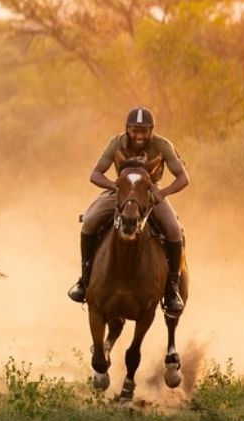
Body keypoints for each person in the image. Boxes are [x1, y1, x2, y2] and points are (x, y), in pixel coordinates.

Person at [67, 106, 189, 313]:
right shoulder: (116, 144)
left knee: (174, 229)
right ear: (127, 129)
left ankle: (171, 290)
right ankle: (84, 280)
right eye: (135, 130)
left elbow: (183, 178)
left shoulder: (163, 145)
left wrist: (161, 194)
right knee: (89, 222)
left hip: (151, 191)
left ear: (151, 131)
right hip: (121, 190)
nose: (138, 135)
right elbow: (95, 174)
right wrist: (115, 187)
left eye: (143, 131)